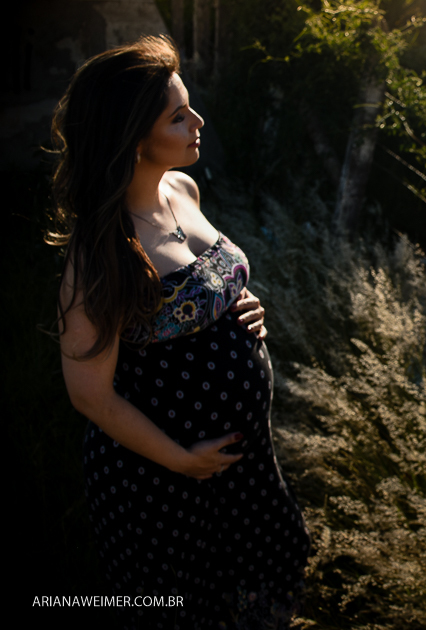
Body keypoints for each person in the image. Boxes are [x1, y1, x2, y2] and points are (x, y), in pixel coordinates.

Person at [49, 35, 310, 628]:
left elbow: (202, 282)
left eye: (189, 107)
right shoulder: (101, 253)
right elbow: (90, 395)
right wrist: (181, 460)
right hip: (163, 482)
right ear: (132, 139)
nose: (197, 123)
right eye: (178, 116)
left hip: (243, 462)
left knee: (259, 587)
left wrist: (240, 305)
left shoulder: (181, 188)